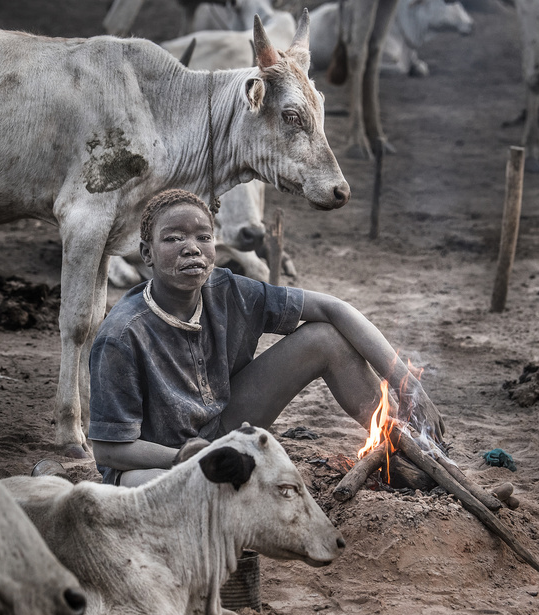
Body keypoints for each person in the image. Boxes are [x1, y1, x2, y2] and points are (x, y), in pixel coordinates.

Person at [88, 188, 444, 487]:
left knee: (325, 339)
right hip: (153, 463)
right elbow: (108, 450)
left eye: (203, 237)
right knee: (204, 486)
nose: (191, 247)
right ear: (147, 253)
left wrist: (406, 383)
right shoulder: (122, 336)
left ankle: (417, 453)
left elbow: (335, 309)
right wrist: (188, 456)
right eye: (173, 238)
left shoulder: (228, 290)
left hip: (223, 426)